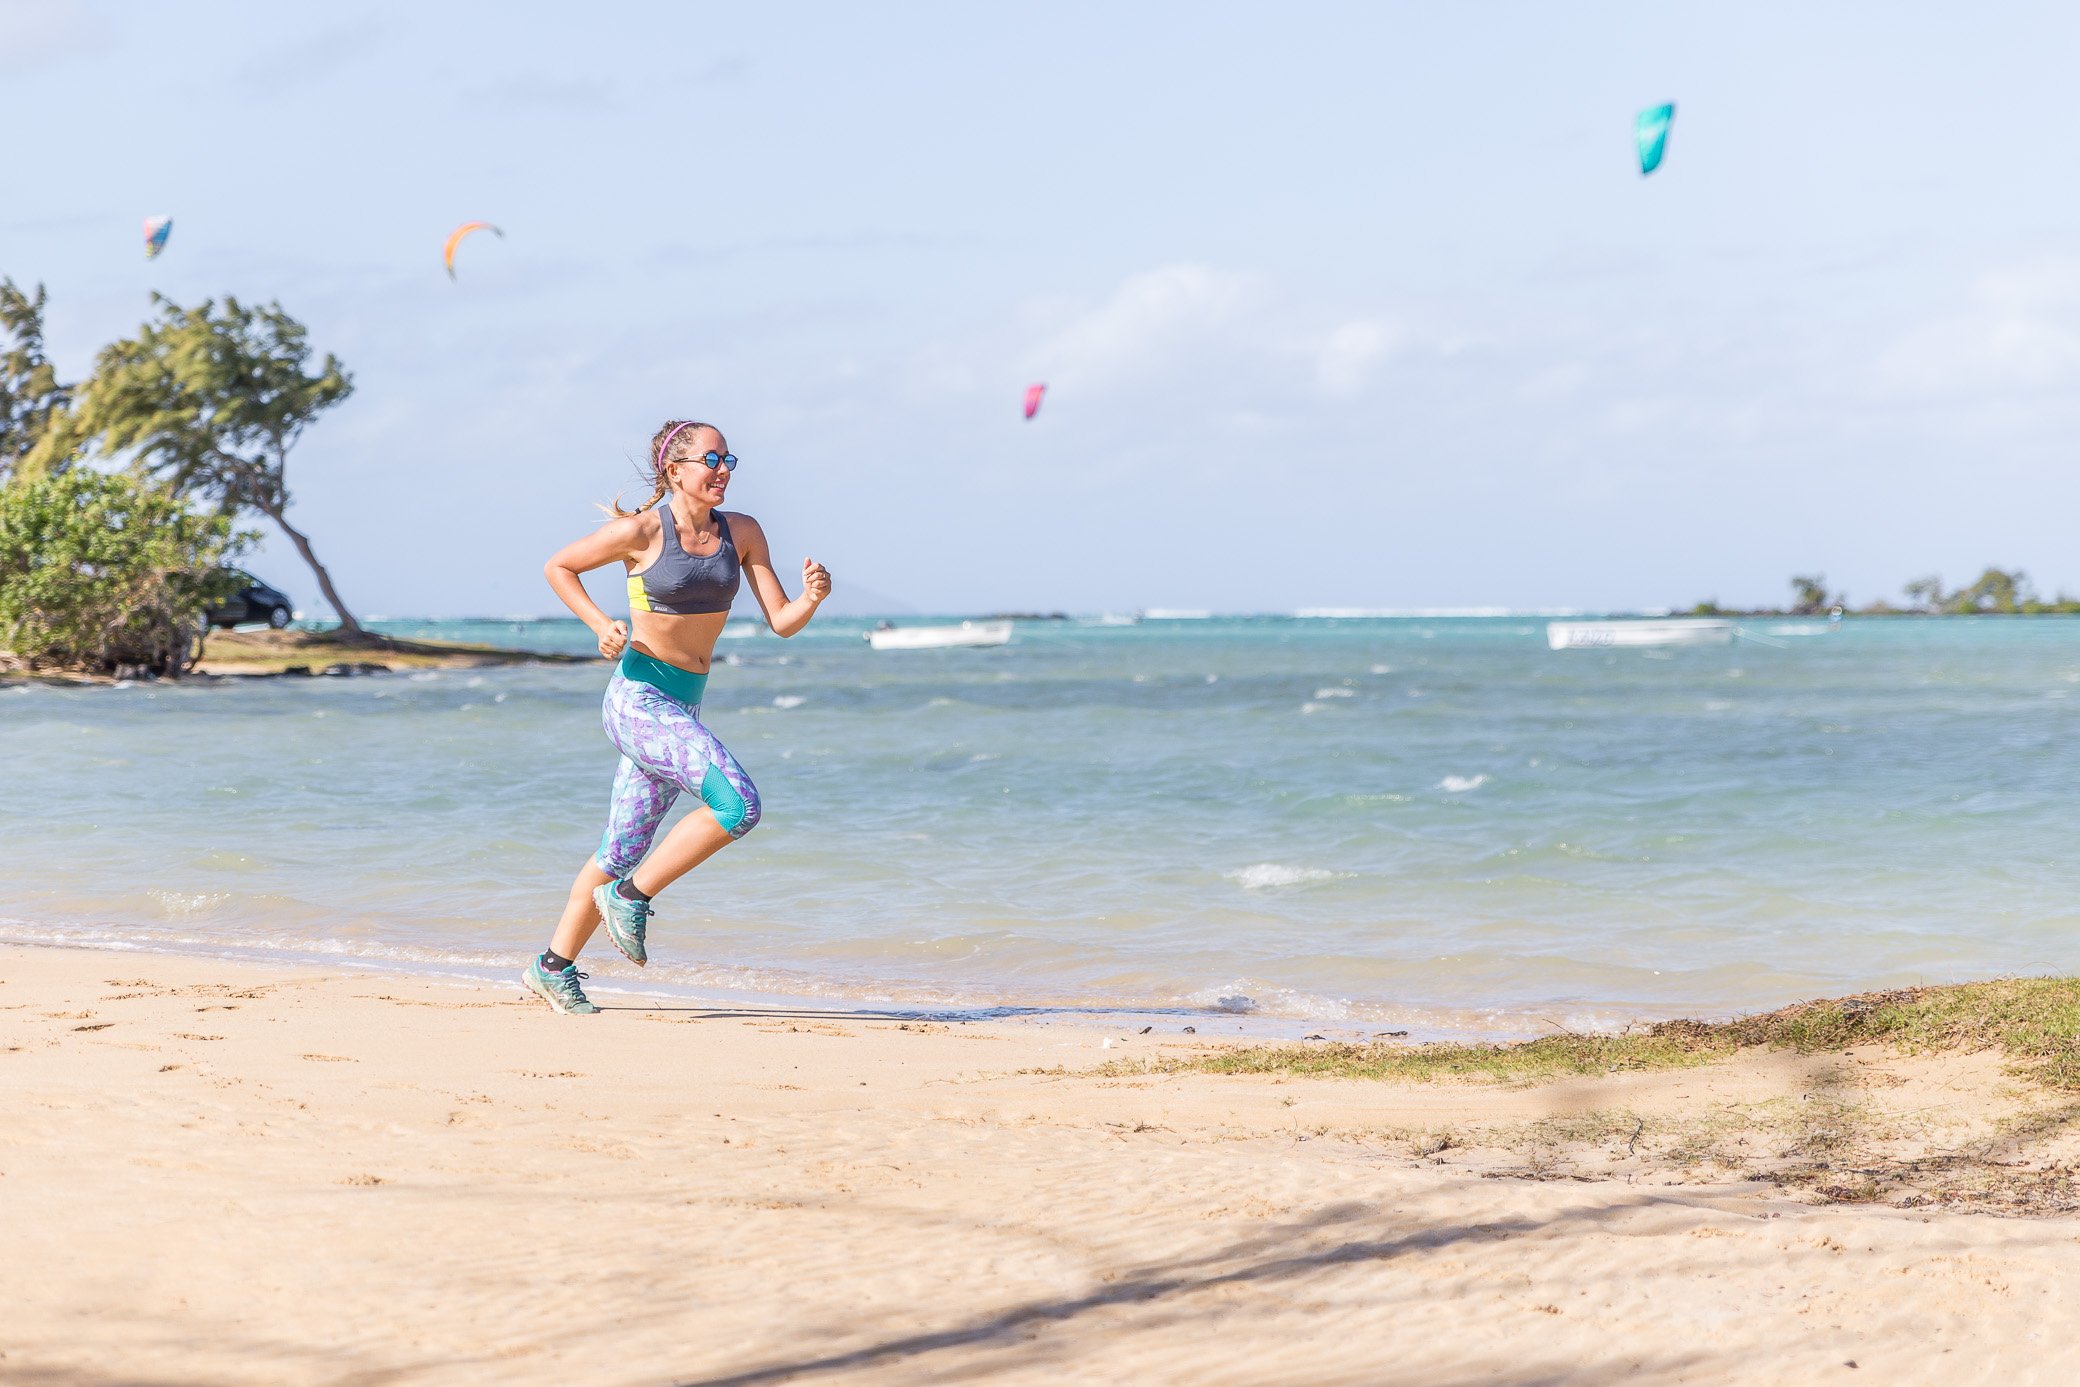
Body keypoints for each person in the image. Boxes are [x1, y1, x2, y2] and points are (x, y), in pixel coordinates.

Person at [525, 420, 831, 1014]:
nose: (723, 470)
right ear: (675, 470)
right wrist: (600, 625)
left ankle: (552, 967)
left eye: (729, 459)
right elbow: (559, 567)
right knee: (738, 805)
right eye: (710, 459)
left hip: (682, 704)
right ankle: (630, 897)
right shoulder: (641, 532)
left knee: (618, 850)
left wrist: (812, 599)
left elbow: (782, 619)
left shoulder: (741, 533)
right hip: (637, 699)